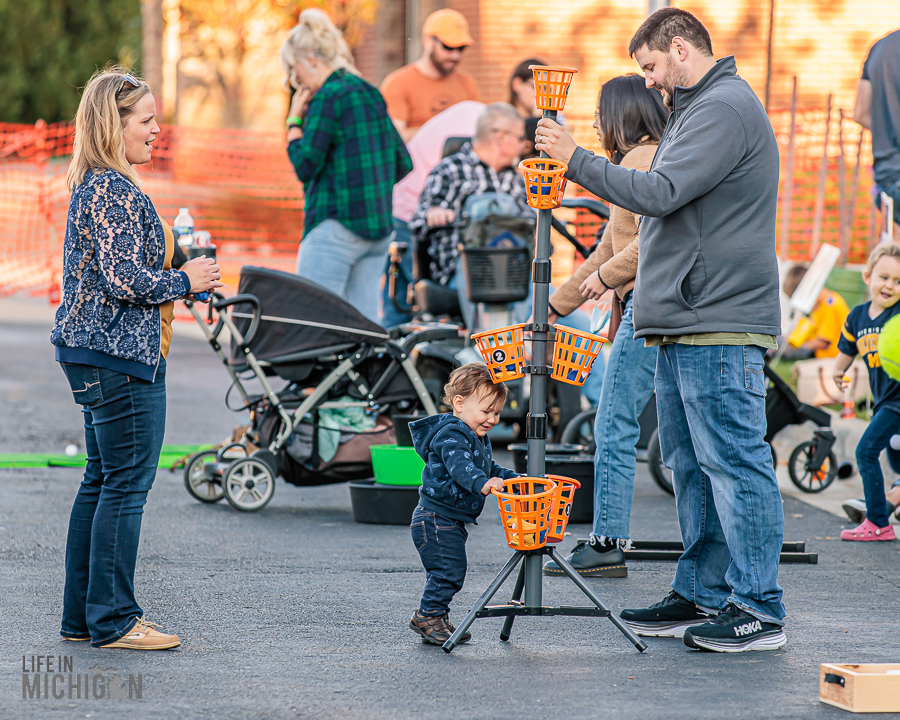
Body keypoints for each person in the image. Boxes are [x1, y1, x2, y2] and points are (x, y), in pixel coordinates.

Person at [536, 8, 786, 652]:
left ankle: (760, 608)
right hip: (681, 319)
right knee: (692, 466)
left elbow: (660, 191)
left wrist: (577, 161)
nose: (646, 81)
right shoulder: (695, 110)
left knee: (734, 463)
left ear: (680, 49)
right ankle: (701, 592)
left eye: (650, 66)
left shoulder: (723, 108)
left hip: (719, 319)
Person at [50, 68, 223, 650]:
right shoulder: (117, 191)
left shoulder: (95, 186)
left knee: (102, 480)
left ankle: (85, 618)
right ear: (112, 124)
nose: (156, 130)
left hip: (92, 351)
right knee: (125, 485)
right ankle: (115, 620)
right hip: (119, 355)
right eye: (145, 120)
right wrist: (186, 278)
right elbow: (126, 279)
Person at [541, 74, 668, 579]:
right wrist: (557, 303)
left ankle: (607, 541)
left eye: (600, 111)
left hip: (646, 307)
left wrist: (603, 280)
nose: (595, 122)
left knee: (613, 421)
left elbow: (643, 247)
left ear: (621, 114)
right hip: (650, 305)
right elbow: (610, 248)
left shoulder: (641, 161)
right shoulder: (640, 162)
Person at [282, 9, 411, 323]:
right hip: (378, 230)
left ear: (310, 59)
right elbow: (402, 162)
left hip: (335, 227)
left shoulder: (328, 96)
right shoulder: (369, 92)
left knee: (315, 325)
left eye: (292, 68)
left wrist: (294, 121)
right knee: (362, 332)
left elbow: (305, 164)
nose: (292, 79)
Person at [407, 364, 519, 645]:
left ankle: (437, 619)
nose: (492, 419)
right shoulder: (452, 434)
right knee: (448, 571)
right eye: (486, 411)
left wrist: (515, 480)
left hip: (446, 519)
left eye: (497, 412)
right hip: (434, 519)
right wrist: (483, 484)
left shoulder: (474, 435)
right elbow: (462, 468)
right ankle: (427, 616)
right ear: (459, 403)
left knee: (449, 570)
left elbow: (489, 467)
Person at [381, 100, 485, 328]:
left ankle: (389, 350)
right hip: (411, 204)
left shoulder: (476, 114)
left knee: (400, 297)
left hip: (402, 196)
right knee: (415, 294)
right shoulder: (474, 136)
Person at [833, 245, 900, 541]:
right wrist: (838, 371)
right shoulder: (857, 317)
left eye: (899, 281)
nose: (890, 285)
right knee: (896, 458)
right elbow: (847, 347)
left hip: (897, 401)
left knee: (866, 451)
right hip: (882, 400)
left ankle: (877, 522)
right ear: (867, 276)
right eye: (884, 277)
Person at [380, 9, 480, 142]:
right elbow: (393, 139)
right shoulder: (398, 83)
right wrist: (441, 129)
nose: (455, 55)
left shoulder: (467, 83)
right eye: (448, 47)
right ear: (427, 41)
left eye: (461, 48)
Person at [854, 29, 900, 237]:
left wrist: (888, 129)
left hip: (888, 178)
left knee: (892, 260)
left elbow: (861, 113)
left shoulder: (880, 48)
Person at [781, 265, 850, 359]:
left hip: (832, 360)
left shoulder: (830, 304)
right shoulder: (820, 305)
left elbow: (823, 342)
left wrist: (795, 348)